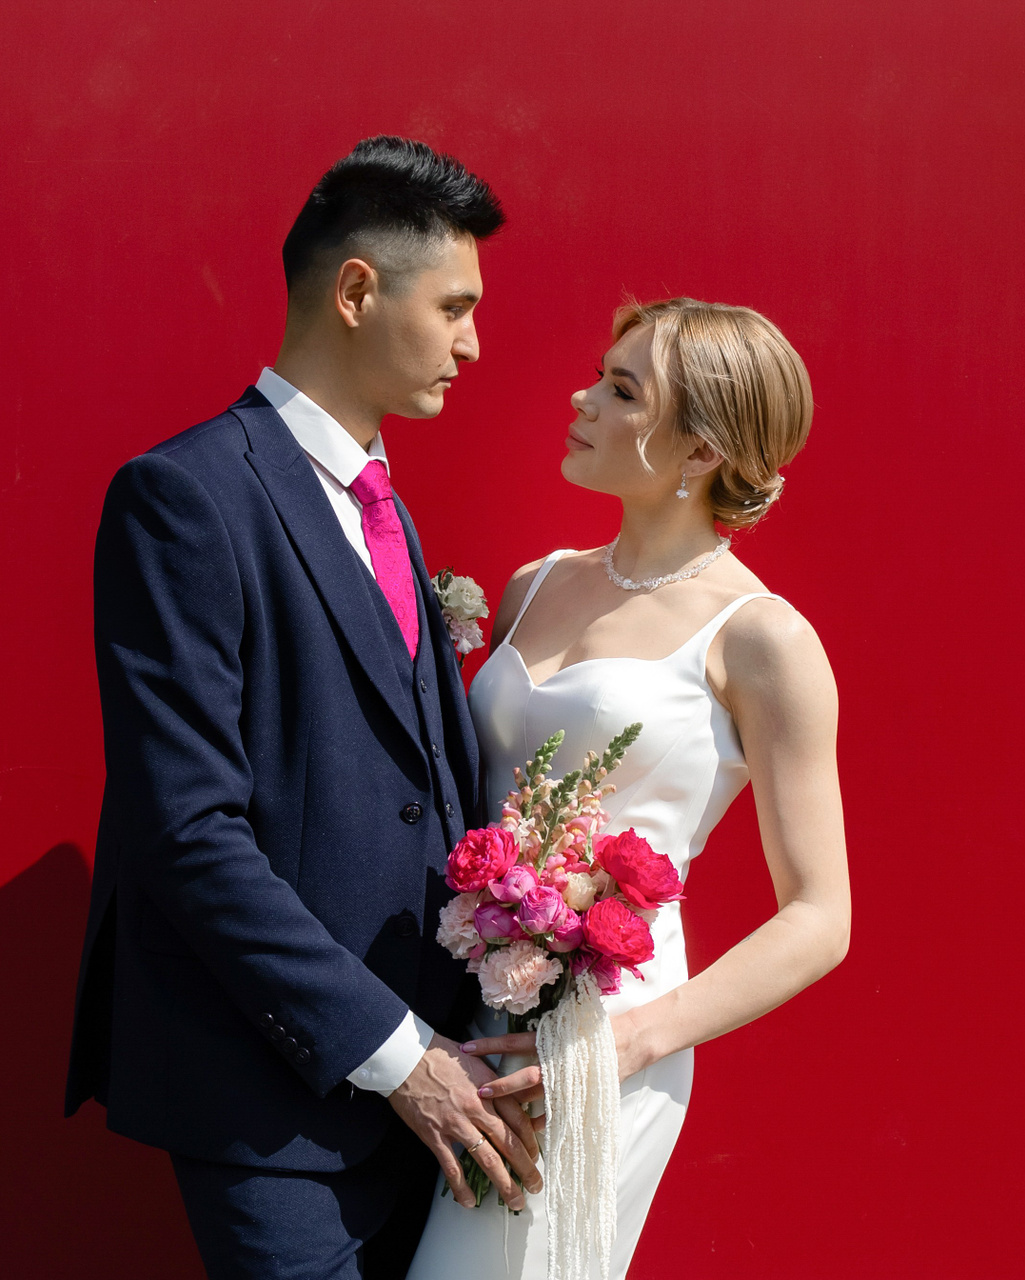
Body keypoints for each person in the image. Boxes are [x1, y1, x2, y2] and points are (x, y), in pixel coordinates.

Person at [65, 136, 539, 1280]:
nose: (475, 343)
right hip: (276, 1102)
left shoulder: (386, 507)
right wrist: (397, 1054)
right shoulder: (185, 496)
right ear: (357, 290)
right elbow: (187, 830)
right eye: (456, 306)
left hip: (441, 1087)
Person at [405, 298, 852, 1278]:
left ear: (701, 448)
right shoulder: (532, 583)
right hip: (448, 1013)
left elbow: (822, 916)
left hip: (603, 1036)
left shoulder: (762, 638)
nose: (582, 400)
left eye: (620, 389)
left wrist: (628, 1044)